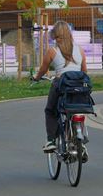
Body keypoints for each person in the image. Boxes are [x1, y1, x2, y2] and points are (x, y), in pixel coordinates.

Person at [32, 20, 87, 152]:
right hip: (78, 85)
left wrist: (36, 78)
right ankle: (81, 141)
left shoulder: (53, 51)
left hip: (61, 84)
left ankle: (51, 140)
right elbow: (84, 71)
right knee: (76, 109)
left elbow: (43, 70)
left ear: (56, 36)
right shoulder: (80, 50)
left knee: (50, 110)